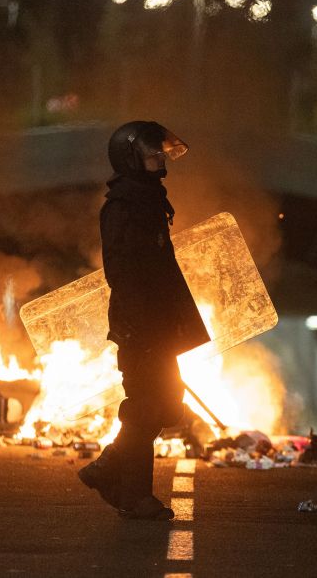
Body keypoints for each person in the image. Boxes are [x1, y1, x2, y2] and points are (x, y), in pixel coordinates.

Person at [78, 121, 210, 520]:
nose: (160, 157)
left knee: (166, 407)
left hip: (158, 325)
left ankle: (107, 468)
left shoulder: (149, 200)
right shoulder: (123, 206)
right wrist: (139, 327)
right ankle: (135, 496)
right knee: (145, 407)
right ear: (130, 156)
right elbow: (123, 271)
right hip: (140, 327)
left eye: (160, 151)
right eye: (152, 151)